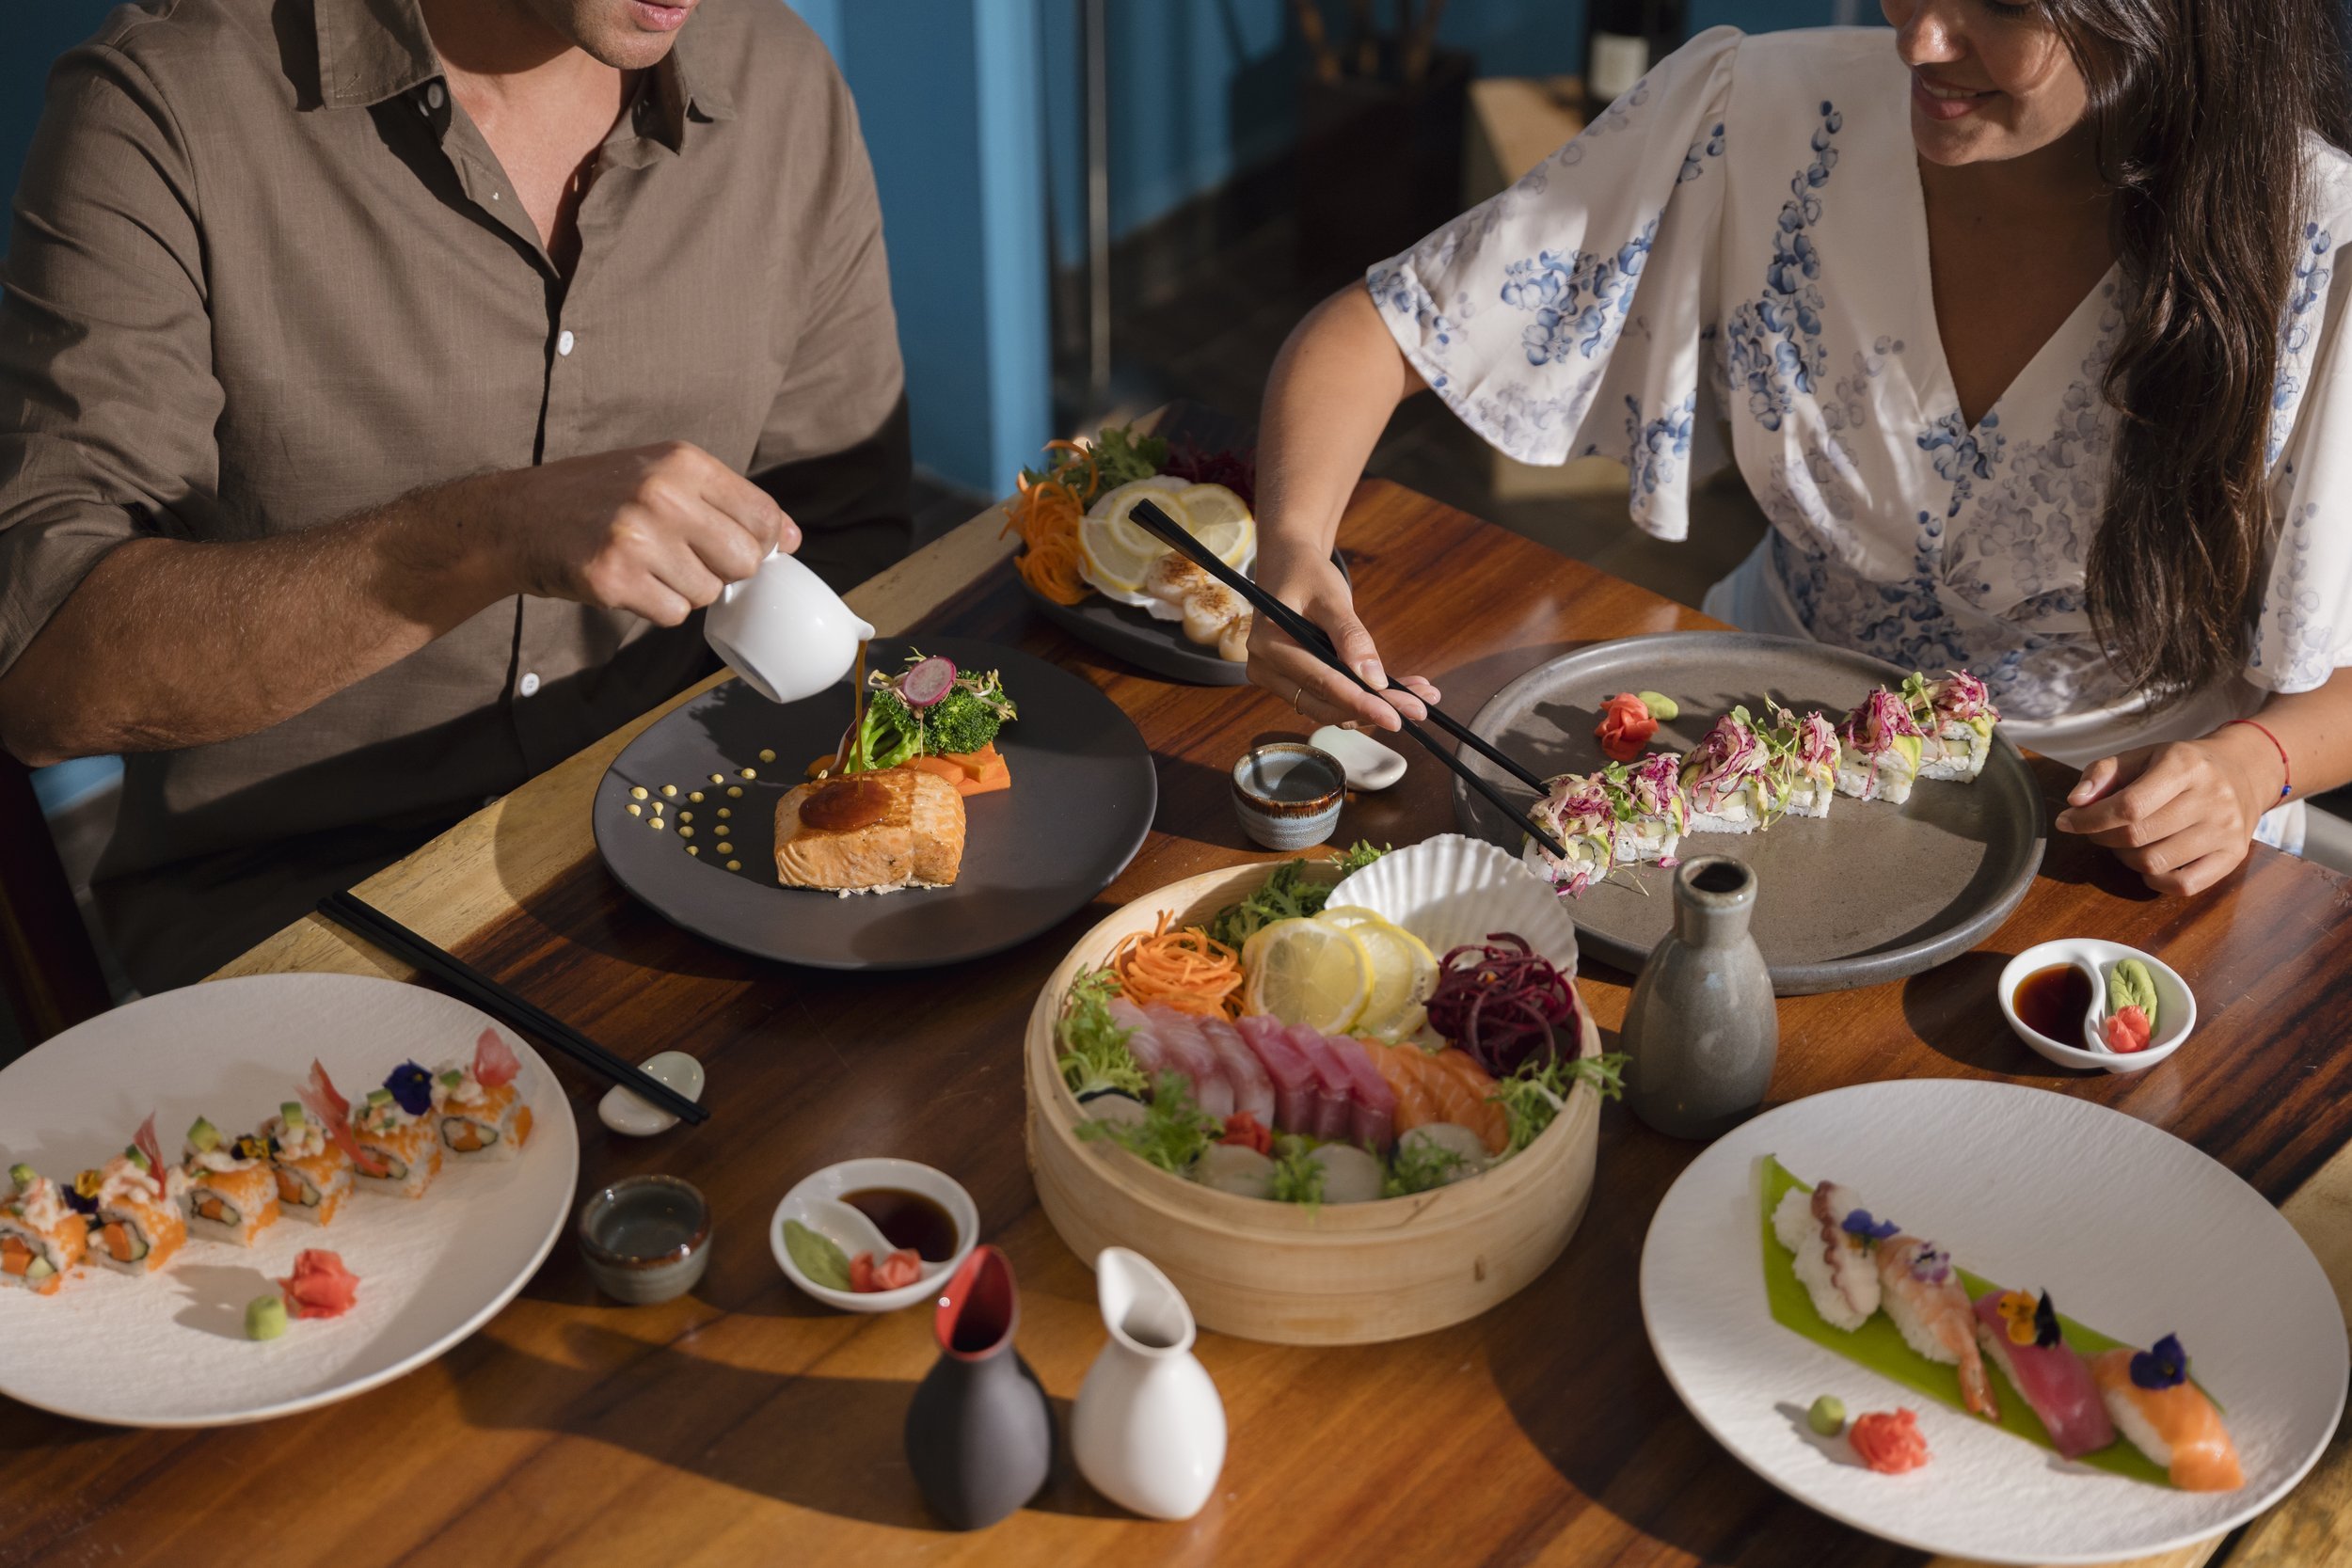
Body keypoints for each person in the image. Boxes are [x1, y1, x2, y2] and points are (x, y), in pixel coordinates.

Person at [1247, 0, 2352, 895]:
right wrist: (1292, 548)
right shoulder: (1761, 110)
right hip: (1742, 749)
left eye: (2003, 5)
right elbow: (1384, 326)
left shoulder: (2317, 249)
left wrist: (2254, 766)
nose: (1920, 36)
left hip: (2104, 829)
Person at [0, 0, 912, 988]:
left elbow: (850, 534)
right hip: (309, 925)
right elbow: (44, 675)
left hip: (692, 840)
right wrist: (470, 540)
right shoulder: (170, 105)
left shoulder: (780, 79)